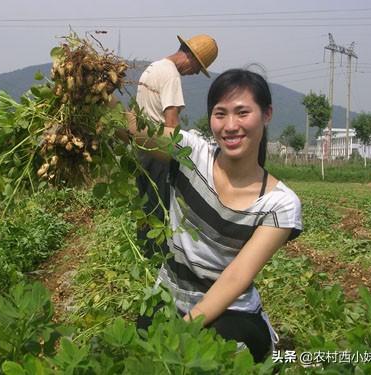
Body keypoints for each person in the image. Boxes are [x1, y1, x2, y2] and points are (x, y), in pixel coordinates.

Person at [124, 69, 303, 362]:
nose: (230, 125)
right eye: (220, 114)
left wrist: (185, 329)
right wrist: (96, 95)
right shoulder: (190, 153)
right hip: (168, 297)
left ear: (267, 114)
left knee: (225, 349)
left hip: (230, 310)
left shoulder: (280, 204)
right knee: (145, 355)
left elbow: (235, 277)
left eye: (242, 112)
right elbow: (137, 132)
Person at [135, 34, 218, 258]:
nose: (192, 73)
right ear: (190, 57)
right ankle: (158, 257)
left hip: (142, 149)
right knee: (161, 206)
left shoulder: (153, 68)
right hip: (160, 153)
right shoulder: (171, 75)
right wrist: (184, 159)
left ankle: (145, 252)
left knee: (146, 204)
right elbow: (171, 124)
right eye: (196, 67)